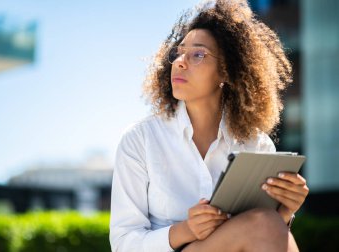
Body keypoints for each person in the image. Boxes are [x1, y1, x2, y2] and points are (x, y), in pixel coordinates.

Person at [109, 0, 309, 251]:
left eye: (198, 54)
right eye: (178, 52)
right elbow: (123, 244)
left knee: (268, 221)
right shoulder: (140, 139)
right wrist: (185, 230)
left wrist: (286, 210)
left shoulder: (257, 144)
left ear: (226, 72)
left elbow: (259, 235)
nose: (180, 61)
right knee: (265, 222)